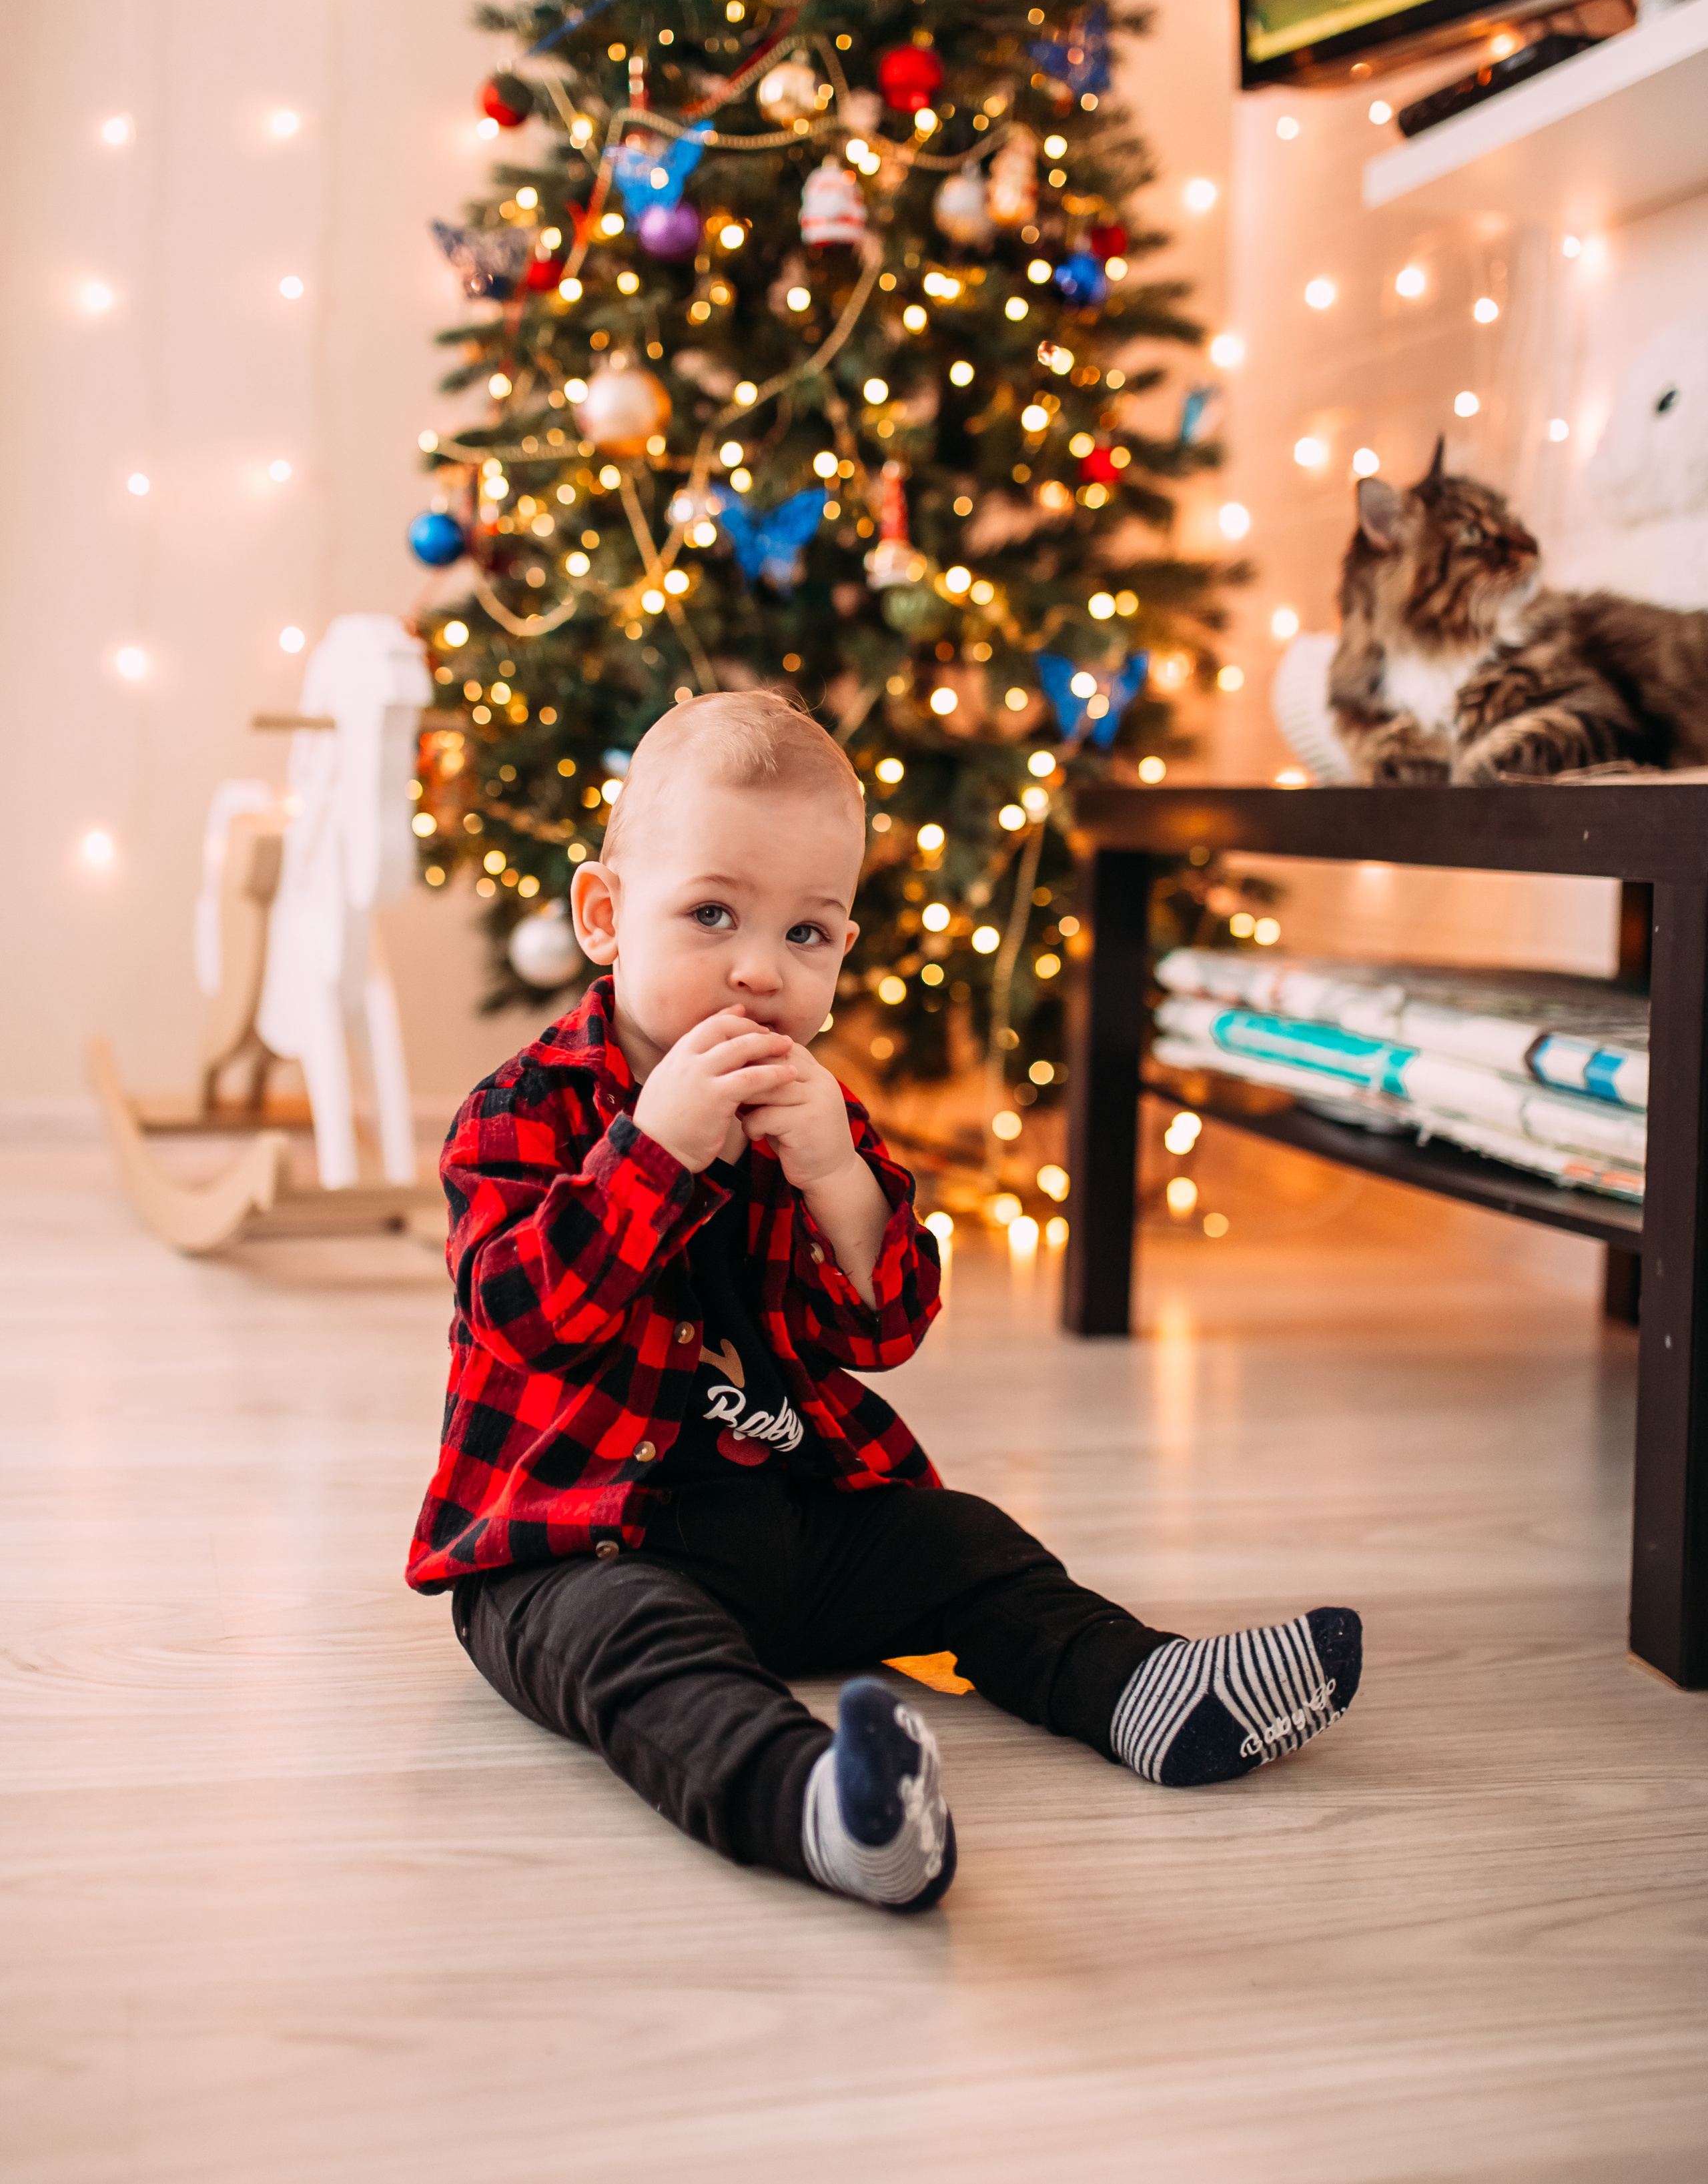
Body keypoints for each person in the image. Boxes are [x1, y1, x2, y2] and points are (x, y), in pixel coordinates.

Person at [407, 690, 1361, 1910]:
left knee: (962, 1544)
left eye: (807, 934)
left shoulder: (818, 1114)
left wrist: (840, 1180)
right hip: (569, 1544)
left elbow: (886, 1326)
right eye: (711, 915)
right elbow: (525, 1320)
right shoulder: (521, 1110)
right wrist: (653, 1153)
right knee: (644, 1650)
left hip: (787, 1519)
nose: (759, 970)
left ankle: (1144, 1688)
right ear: (605, 916)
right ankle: (819, 1802)